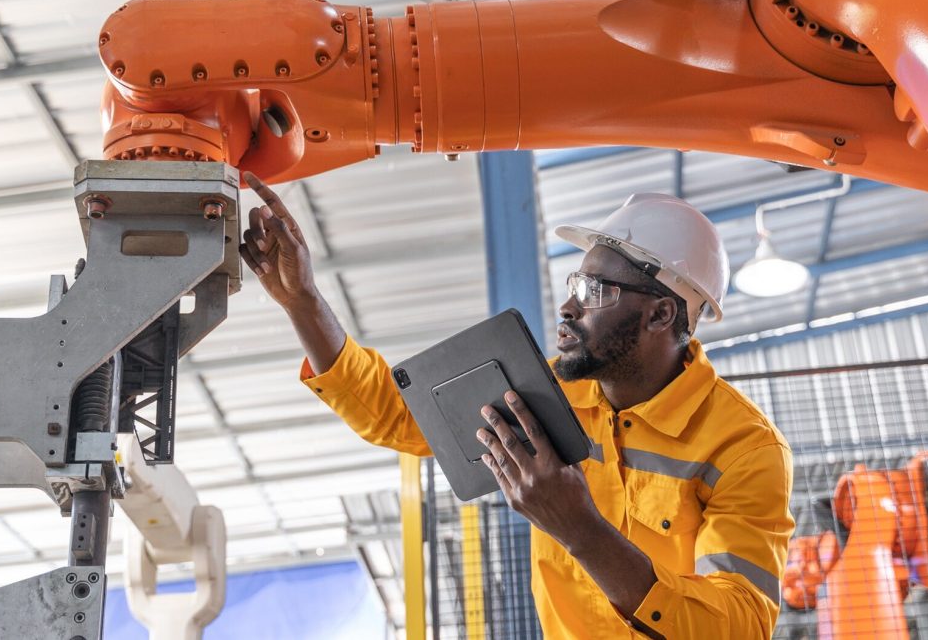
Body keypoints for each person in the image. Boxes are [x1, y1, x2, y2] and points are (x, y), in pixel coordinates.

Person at [239, 172, 794, 639]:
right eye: (576, 282)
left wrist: (582, 531)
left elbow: (739, 625)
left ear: (661, 315)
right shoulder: (547, 394)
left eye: (596, 290)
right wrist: (302, 302)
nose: (569, 306)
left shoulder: (743, 448)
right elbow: (398, 416)